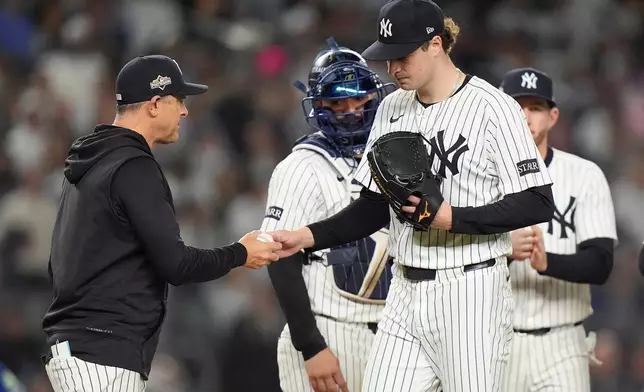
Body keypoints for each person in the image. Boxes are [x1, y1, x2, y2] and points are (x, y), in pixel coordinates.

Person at [269, 0, 557, 391]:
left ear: (435, 45)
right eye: (387, 58)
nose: (393, 69)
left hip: (469, 291)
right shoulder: (390, 107)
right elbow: (373, 206)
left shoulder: (493, 108)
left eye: (402, 56)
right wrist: (308, 236)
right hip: (404, 291)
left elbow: (538, 200)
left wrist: (452, 219)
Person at [41, 54, 282, 392]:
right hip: (101, 354)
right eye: (178, 100)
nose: (184, 111)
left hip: (81, 349)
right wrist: (240, 253)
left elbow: (59, 265)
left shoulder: (91, 164)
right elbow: (177, 264)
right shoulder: (132, 165)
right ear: (154, 104)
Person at [261, 38, 397, 392]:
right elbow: (280, 259)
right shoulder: (302, 166)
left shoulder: (393, 154)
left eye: (359, 97)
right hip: (330, 329)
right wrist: (311, 346)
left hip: (395, 336)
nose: (352, 109)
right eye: (338, 101)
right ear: (318, 104)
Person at [499, 67, 617, 392]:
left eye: (534, 108)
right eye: (515, 107)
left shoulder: (584, 175)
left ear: (552, 117)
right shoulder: (477, 177)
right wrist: (501, 249)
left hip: (562, 342)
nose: (525, 116)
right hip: (496, 339)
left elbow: (601, 263)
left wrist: (547, 262)